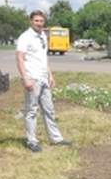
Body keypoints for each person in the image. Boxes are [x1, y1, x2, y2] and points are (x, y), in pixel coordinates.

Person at [15, 10, 71, 152]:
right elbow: (19, 58)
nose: (39, 23)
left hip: (43, 78)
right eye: (36, 21)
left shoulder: (43, 36)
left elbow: (43, 58)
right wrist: (25, 78)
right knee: (32, 110)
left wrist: (50, 75)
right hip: (32, 78)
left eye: (41, 21)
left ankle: (56, 139)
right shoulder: (25, 37)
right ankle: (31, 141)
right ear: (31, 21)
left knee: (49, 109)